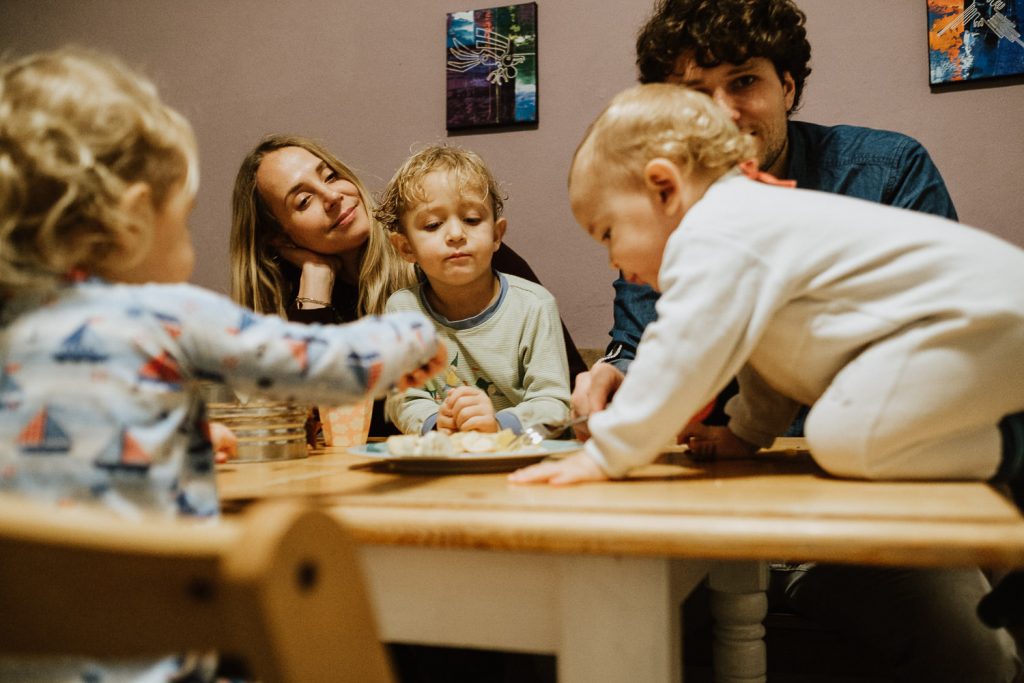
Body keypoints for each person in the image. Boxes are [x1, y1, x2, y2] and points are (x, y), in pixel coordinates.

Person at [567, 1, 1022, 681]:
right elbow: (758, 358)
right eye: (693, 95)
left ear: (788, 85)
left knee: (842, 431)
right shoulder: (717, 225)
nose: (720, 113)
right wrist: (740, 431)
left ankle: (1008, 449)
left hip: (956, 351)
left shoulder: (715, 228)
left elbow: (685, 351)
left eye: (742, 81)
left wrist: (608, 453)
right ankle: (1006, 448)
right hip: (737, 503)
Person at [0, 47, 444, 682]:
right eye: (181, 217)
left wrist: (158, 438)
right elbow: (333, 364)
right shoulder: (163, 315)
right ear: (130, 221)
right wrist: (410, 335)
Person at [230, 135, 585, 437]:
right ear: (279, 238)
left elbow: (563, 395)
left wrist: (497, 423)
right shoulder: (398, 305)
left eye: (331, 176)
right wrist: (314, 293)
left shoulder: (465, 259)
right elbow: (293, 427)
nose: (333, 196)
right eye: (303, 200)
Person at [378, 145, 570, 436]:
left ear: (496, 235)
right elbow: (403, 400)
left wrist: (499, 424)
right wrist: (434, 423)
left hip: (521, 461)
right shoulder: (403, 311)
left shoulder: (534, 306)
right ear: (405, 248)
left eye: (471, 220)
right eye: (432, 225)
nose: (456, 234)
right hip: (443, 461)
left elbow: (554, 404)